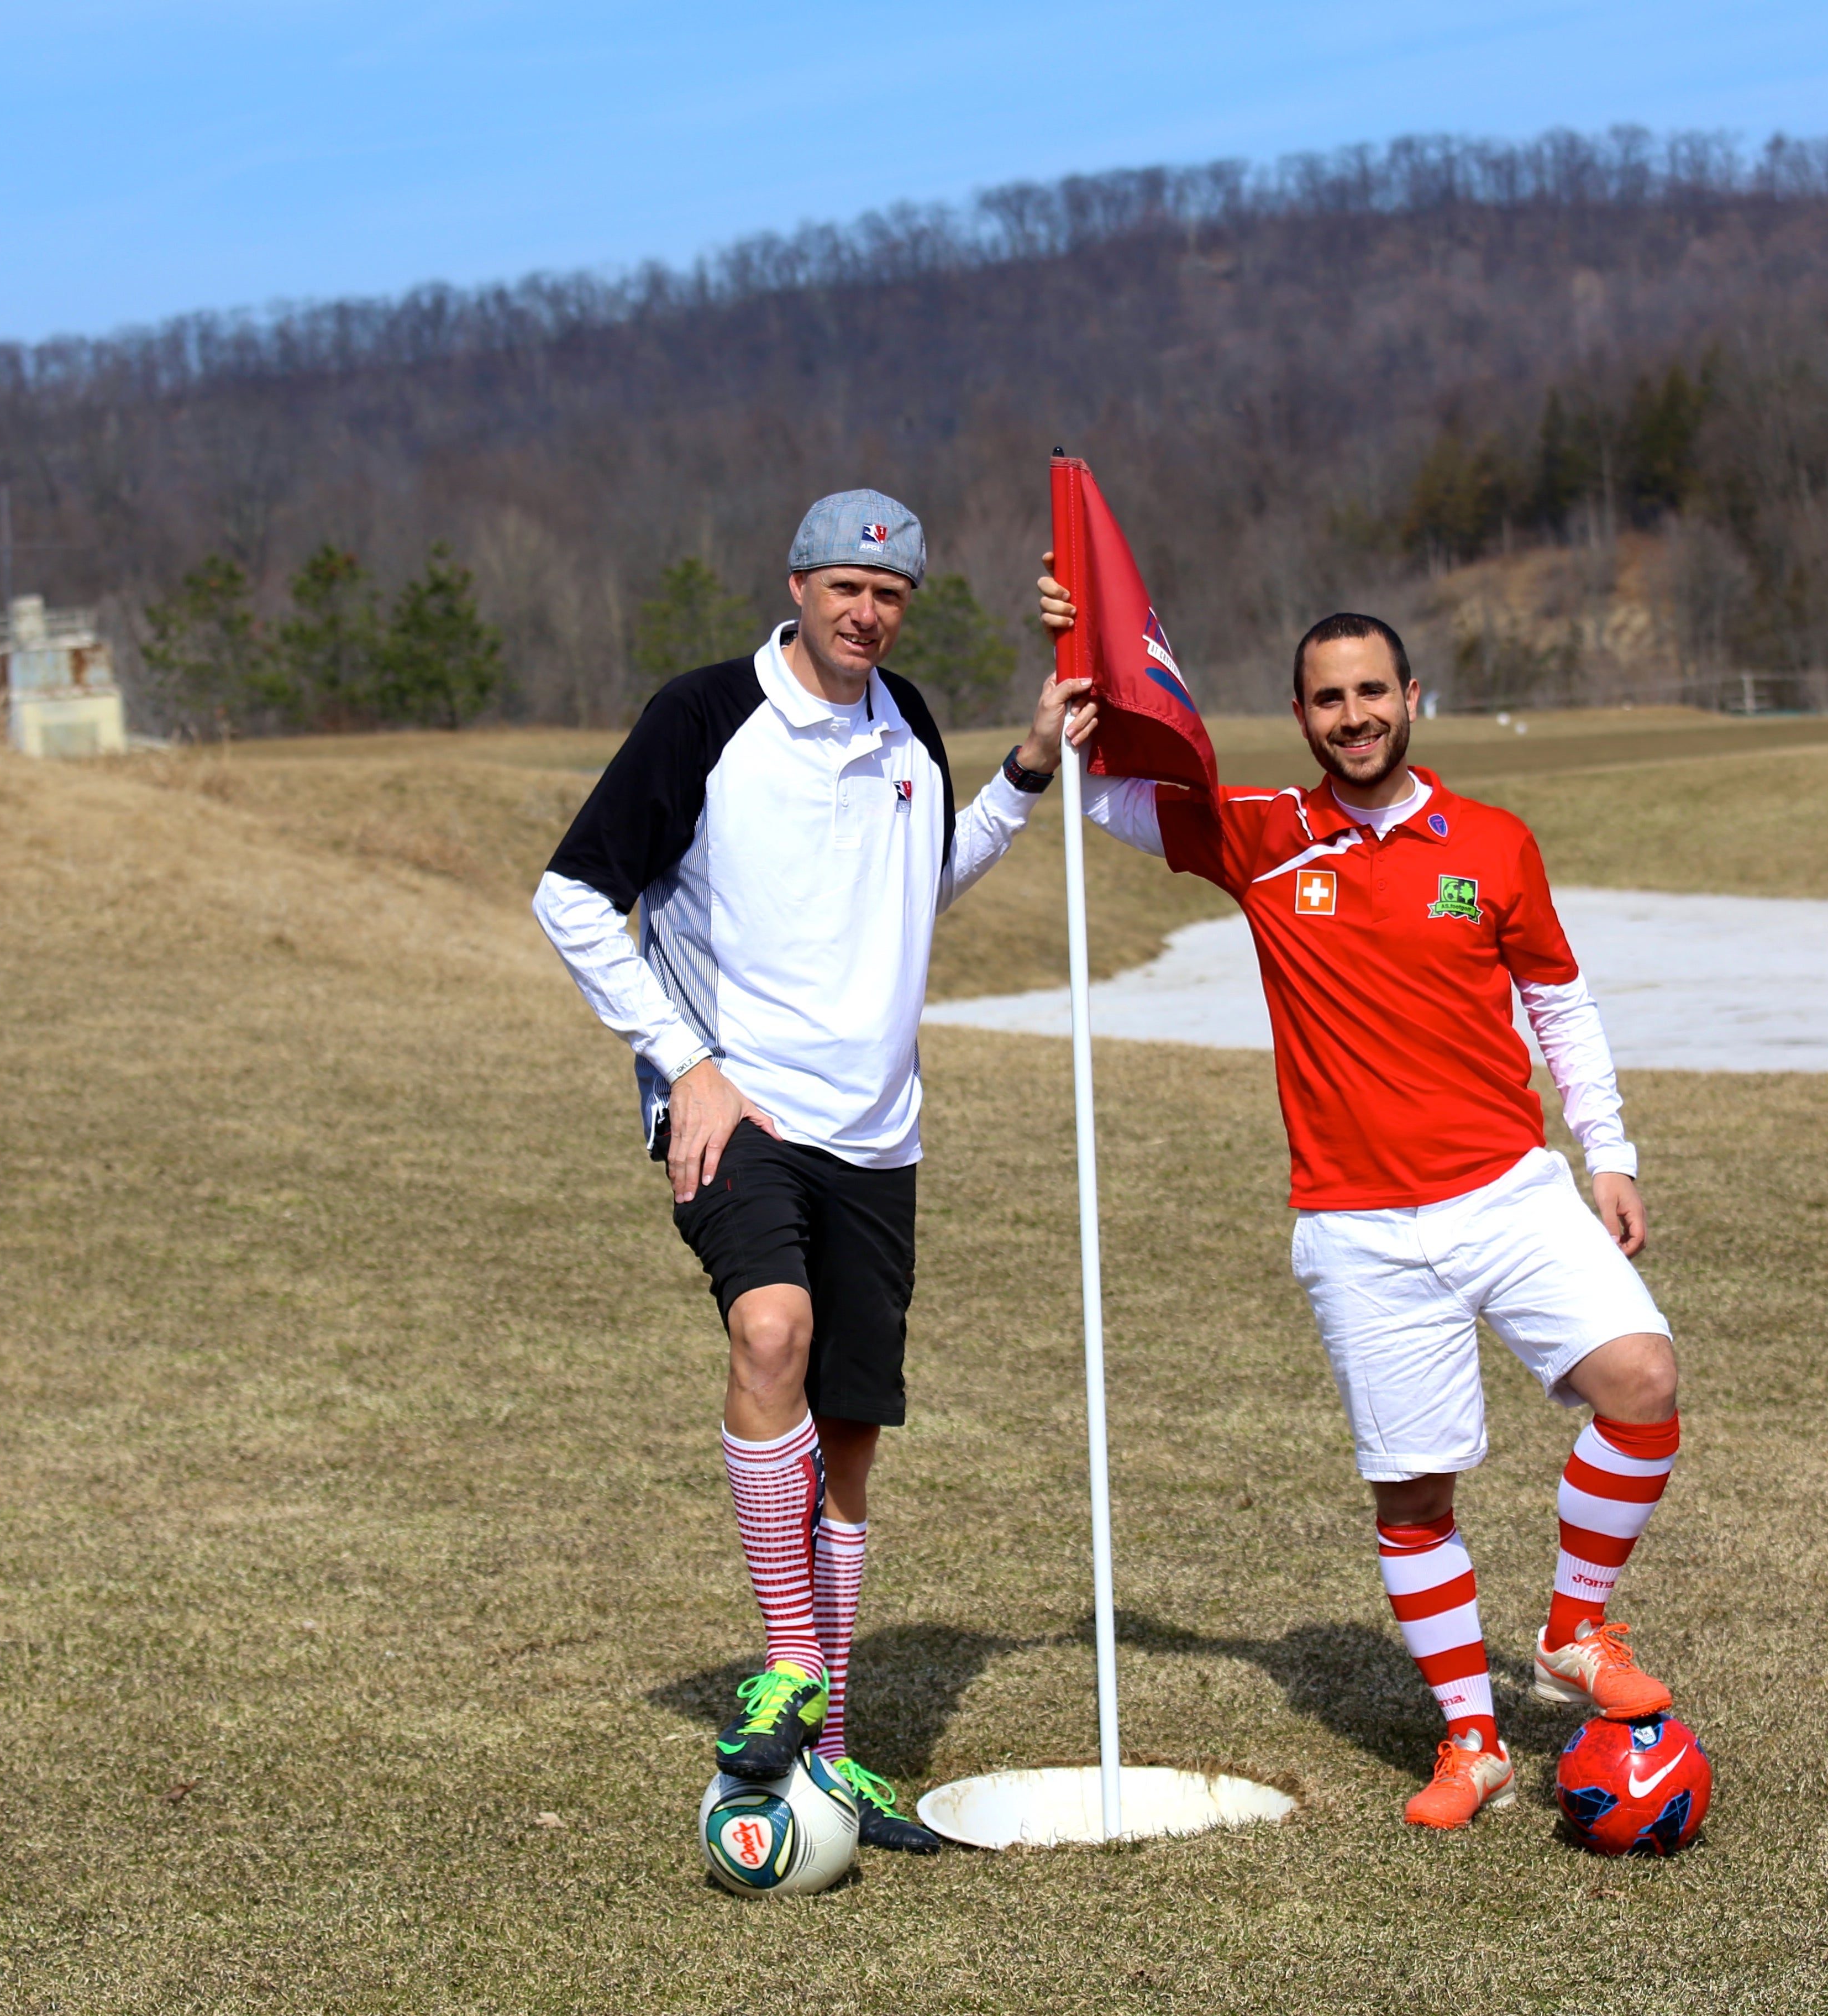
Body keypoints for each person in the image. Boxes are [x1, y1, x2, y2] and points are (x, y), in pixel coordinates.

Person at [1041, 574, 1683, 1830]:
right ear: (1300, 713)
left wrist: (1608, 1150)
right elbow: (1101, 794)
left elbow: (1558, 1001)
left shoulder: (1494, 842)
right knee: (1413, 1497)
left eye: (1372, 693)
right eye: (1329, 699)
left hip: (1510, 1194)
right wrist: (1080, 671)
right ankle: (1473, 1743)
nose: (1354, 716)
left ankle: (1571, 1629)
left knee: (1643, 1381)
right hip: (1358, 1230)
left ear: (1411, 698)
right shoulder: (1263, 834)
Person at [533, 490, 1083, 1855]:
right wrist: (688, 1062)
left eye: (890, 596)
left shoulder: (911, 728)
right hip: (742, 1108)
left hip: (879, 1130)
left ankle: (829, 1754)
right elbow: (573, 896)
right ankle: (791, 1662)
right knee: (767, 1327)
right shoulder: (707, 715)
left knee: (849, 1444)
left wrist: (1018, 773)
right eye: (845, 588)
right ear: (797, 585)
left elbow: (911, 888)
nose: (867, 613)